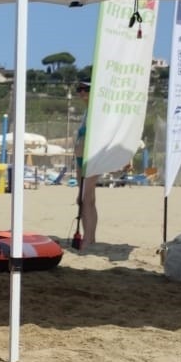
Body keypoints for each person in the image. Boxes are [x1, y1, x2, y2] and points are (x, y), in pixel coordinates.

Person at [73, 75, 99, 250]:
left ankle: (88, 239)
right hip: (81, 159)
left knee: (86, 199)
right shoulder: (87, 112)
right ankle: (89, 236)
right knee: (83, 199)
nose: (82, 93)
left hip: (92, 158)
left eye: (86, 89)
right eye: (79, 89)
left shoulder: (98, 111)